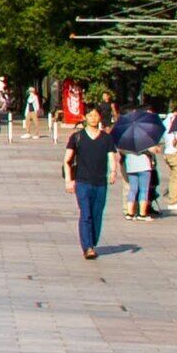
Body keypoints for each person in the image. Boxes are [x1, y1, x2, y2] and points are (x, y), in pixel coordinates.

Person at [65, 106, 116, 259]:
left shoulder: (106, 138)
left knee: (97, 214)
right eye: (90, 115)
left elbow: (111, 156)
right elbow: (67, 160)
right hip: (82, 182)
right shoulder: (77, 137)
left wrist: (113, 171)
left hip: (100, 182)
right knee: (86, 214)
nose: (93, 118)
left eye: (96, 115)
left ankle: (91, 241)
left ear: (100, 118)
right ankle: (87, 247)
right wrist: (69, 180)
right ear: (85, 117)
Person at [113, 95, 167, 218]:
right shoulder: (142, 134)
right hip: (142, 165)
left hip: (131, 164)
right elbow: (153, 150)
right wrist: (151, 149)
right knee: (142, 189)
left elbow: (121, 148)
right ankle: (141, 213)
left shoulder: (125, 133)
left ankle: (130, 212)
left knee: (133, 188)